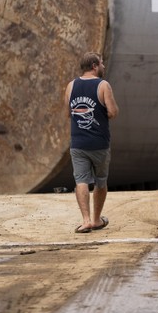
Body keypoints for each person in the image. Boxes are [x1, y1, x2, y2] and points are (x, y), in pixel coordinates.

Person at [63, 52, 119, 233]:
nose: (103, 66)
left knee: (81, 181)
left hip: (78, 143)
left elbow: (68, 113)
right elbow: (112, 112)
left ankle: (85, 220)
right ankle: (96, 220)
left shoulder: (71, 86)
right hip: (99, 144)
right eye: (101, 63)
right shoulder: (103, 85)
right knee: (101, 182)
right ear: (94, 66)